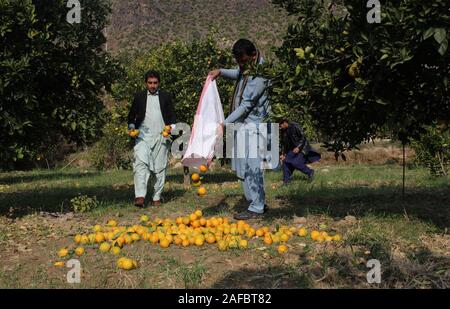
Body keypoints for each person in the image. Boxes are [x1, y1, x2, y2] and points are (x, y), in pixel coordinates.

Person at [209, 39, 271, 220]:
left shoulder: (260, 75)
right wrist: (220, 72)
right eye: (238, 61)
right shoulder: (248, 68)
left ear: (253, 55)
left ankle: (257, 206)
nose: (240, 65)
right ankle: (255, 202)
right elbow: (238, 73)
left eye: (243, 61)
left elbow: (246, 105)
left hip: (255, 127)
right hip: (243, 127)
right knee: (242, 166)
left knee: (253, 167)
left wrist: (224, 123)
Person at [127, 70, 176, 207]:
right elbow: (131, 116)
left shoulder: (166, 96)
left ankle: (156, 197)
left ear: (159, 83)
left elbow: (172, 117)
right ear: (146, 83)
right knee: (140, 164)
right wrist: (132, 127)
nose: (153, 86)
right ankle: (140, 196)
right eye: (150, 83)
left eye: (155, 83)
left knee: (160, 168)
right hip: (143, 136)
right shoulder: (139, 97)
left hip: (161, 136)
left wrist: (170, 128)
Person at [279, 119, 321, 184]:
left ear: (284, 123)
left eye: (280, 125)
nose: (279, 127)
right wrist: (283, 154)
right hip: (292, 150)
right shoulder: (283, 131)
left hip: (302, 148)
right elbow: (283, 144)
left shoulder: (295, 126)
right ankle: (286, 181)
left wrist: (298, 147)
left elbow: (303, 138)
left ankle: (310, 172)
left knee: (295, 162)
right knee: (285, 162)